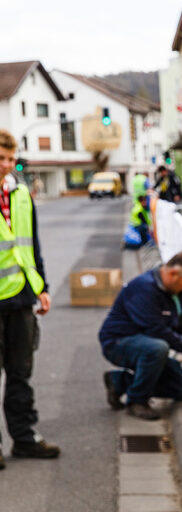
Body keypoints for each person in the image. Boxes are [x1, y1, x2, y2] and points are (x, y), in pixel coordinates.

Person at [98, 251, 182, 420]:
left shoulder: (179, 293)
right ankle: (137, 400)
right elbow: (157, 331)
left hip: (147, 343)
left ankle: (120, 381)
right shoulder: (143, 288)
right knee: (157, 348)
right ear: (173, 273)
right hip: (118, 342)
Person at [0, 130, 59, 469]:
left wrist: (42, 287)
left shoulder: (21, 194)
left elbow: (30, 246)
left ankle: (24, 439)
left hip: (21, 299)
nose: (6, 166)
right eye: (1, 159)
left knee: (20, 375)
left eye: (11, 159)